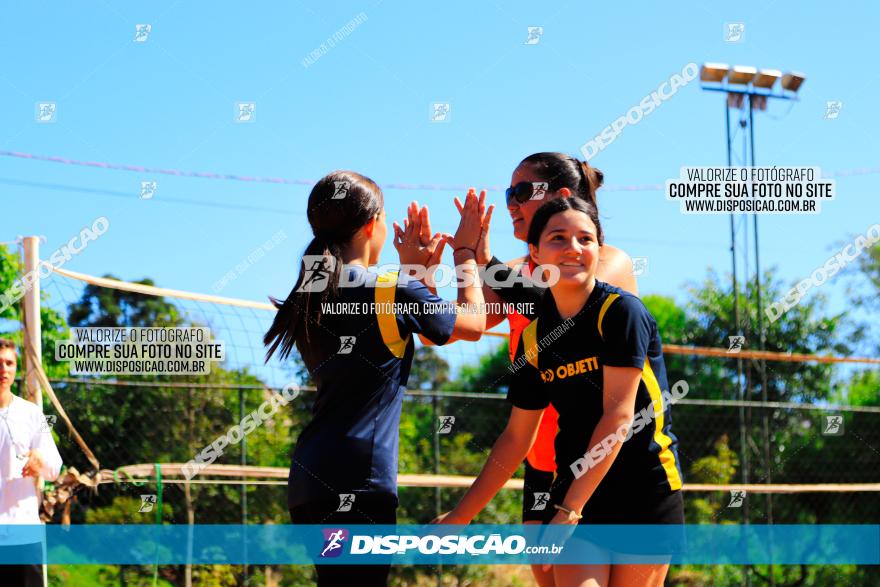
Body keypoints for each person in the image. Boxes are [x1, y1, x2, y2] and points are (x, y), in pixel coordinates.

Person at [436, 198, 684, 587]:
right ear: (534, 253)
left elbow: (618, 418)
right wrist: (461, 515)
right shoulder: (535, 336)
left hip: (643, 491)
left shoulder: (620, 312)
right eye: (558, 238)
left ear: (599, 249)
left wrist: (570, 509)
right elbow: (516, 436)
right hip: (574, 492)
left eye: (586, 238)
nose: (573, 247)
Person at [263, 171, 491, 587]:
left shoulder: (308, 294)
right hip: (360, 479)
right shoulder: (390, 289)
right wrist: (465, 254)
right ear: (372, 225)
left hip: (309, 480)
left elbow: (390, 338)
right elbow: (474, 325)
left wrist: (416, 275)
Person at [463, 152, 639, 587]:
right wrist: (445, 265)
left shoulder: (609, 260)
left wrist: (484, 262)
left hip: (602, 463)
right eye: (508, 193)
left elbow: (553, 303)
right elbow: (459, 326)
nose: (510, 203)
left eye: (521, 192)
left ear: (560, 196)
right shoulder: (516, 272)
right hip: (543, 464)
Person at [0, 338, 63, 587]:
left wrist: (40, 462)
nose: (3, 369)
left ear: (16, 368)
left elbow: (54, 469)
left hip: (23, 530)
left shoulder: (31, 413)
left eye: (9, 363)